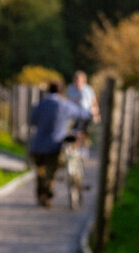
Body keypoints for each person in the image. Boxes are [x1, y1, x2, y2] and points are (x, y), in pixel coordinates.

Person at [25, 79, 90, 209]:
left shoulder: (40, 104)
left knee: (40, 171)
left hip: (37, 144)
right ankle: (46, 196)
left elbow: (32, 120)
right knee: (50, 172)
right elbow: (84, 114)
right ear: (61, 91)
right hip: (53, 145)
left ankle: (42, 195)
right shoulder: (65, 105)